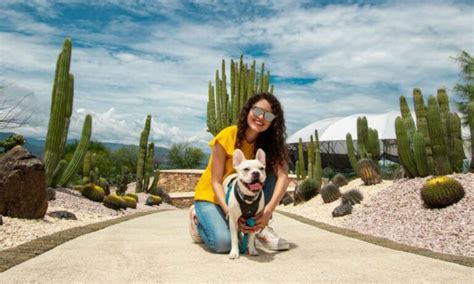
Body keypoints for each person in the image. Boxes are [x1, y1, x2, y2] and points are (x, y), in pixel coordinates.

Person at [189, 92, 290, 253]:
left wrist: (267, 211)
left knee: (267, 172)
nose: (261, 118)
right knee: (223, 243)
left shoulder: (271, 144)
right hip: (213, 197)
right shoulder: (227, 135)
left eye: (268, 115)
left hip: (244, 198)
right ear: (248, 110)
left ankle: (259, 227)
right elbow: (215, 181)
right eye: (257, 111)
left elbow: (284, 177)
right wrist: (229, 211)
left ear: (273, 121)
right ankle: (198, 220)